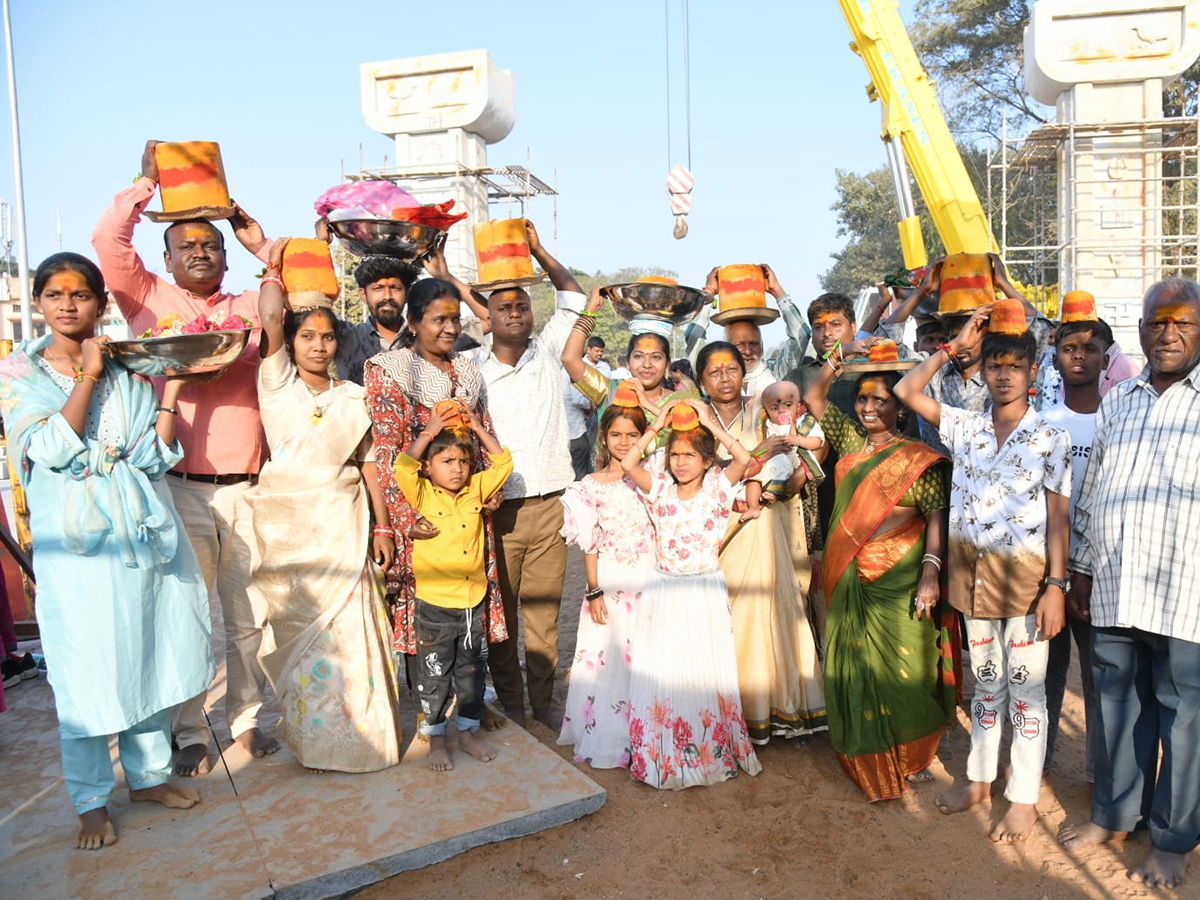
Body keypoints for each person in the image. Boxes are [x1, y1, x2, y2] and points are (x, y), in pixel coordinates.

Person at [0, 253, 215, 849]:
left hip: (140, 533)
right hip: (77, 550)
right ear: (39, 303)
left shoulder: (128, 371)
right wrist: (89, 376)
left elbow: (151, 455)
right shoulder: (20, 373)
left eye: (81, 294)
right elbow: (50, 448)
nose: (68, 305)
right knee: (86, 670)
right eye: (55, 294)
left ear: (99, 303)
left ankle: (148, 778)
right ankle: (91, 801)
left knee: (148, 652)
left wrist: (171, 389)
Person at [92, 141, 278, 775]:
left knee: (250, 618)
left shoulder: (248, 309)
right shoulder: (146, 298)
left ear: (225, 255)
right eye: (187, 245)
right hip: (176, 487)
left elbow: (304, 286)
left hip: (249, 487)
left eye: (211, 245)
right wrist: (145, 183)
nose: (200, 252)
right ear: (166, 258)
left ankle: (246, 722)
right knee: (188, 617)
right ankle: (190, 729)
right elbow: (108, 242)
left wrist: (259, 243)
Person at [895, 306, 1071, 843]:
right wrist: (953, 347)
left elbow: (1059, 518)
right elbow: (906, 390)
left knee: (1027, 694)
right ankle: (978, 781)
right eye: (995, 365)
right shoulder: (964, 426)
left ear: (1033, 371)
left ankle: (1022, 798)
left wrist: (1056, 587)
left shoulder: (1050, 437)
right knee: (987, 686)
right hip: (971, 581)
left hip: (1026, 586)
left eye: (1015, 366)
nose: (1003, 375)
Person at [1058, 279, 1200, 890]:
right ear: (1139, 330)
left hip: (1188, 594)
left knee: (1185, 720)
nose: (1167, 334)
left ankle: (1172, 840)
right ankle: (1116, 815)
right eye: (1156, 322)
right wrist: (1082, 569)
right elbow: (1092, 492)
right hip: (1116, 584)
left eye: (1182, 323)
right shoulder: (1118, 401)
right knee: (1117, 707)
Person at [245, 240, 402, 773]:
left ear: (339, 342)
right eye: (307, 336)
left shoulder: (353, 398)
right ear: (289, 343)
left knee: (353, 633)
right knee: (304, 643)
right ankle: (315, 745)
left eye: (327, 336)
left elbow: (371, 466)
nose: (318, 345)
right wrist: (272, 264)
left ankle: (364, 741)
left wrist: (383, 529)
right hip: (287, 535)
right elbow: (270, 315)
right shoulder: (276, 385)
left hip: (344, 529)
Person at [803, 356, 958, 802]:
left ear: (901, 408)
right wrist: (839, 358)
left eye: (880, 400)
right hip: (850, 571)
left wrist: (930, 572)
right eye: (862, 399)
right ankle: (871, 752)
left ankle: (914, 755)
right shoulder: (851, 441)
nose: (868, 407)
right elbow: (814, 395)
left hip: (903, 574)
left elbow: (936, 518)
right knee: (857, 663)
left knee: (910, 664)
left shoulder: (920, 459)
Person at [364, 278, 507, 711]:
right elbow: (387, 453)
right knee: (423, 615)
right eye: (438, 320)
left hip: (467, 511)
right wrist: (402, 521)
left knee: (468, 613)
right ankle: (431, 714)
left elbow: (486, 434)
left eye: (455, 319)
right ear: (413, 322)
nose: (450, 328)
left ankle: (466, 711)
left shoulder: (467, 370)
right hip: (420, 514)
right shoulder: (389, 370)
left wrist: (493, 490)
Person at [473, 219, 582, 729]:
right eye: (504, 308)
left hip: (549, 506)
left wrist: (537, 250)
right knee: (502, 614)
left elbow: (573, 297)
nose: (515, 313)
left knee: (544, 613)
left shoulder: (549, 354)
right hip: (498, 511)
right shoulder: (471, 368)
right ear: (489, 317)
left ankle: (543, 703)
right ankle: (511, 703)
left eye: (521, 306)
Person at [621, 399, 762, 788]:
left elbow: (744, 457)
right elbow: (630, 464)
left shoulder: (719, 486)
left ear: (706, 460)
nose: (680, 462)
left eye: (689, 455)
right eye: (674, 455)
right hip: (664, 591)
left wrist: (709, 422)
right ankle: (664, 756)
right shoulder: (660, 488)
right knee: (666, 671)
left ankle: (704, 753)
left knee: (701, 671)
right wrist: (657, 424)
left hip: (703, 592)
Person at [698, 343, 828, 744]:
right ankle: (726, 713)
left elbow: (811, 442)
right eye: (714, 371)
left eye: (732, 369)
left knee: (768, 610)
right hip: (719, 526)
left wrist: (799, 477)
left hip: (767, 523)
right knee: (725, 615)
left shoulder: (764, 407)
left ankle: (775, 709)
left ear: (745, 373)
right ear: (701, 379)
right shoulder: (697, 418)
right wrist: (756, 458)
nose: (724, 378)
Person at [393, 401, 512, 771]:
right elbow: (402, 466)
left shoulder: (476, 490)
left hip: (471, 605)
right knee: (434, 677)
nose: (457, 468)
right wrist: (429, 431)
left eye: (463, 461)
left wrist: (476, 428)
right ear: (429, 468)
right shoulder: (422, 494)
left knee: (472, 674)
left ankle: (467, 734)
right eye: (446, 461)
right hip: (434, 607)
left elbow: (503, 463)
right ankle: (437, 741)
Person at [557, 396, 655, 767]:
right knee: (609, 658)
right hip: (611, 585)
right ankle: (613, 740)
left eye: (633, 435)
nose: (624, 442)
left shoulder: (654, 477)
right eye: (616, 434)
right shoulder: (589, 486)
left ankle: (650, 736)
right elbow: (590, 543)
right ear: (603, 437)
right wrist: (594, 591)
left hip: (651, 579)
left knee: (646, 657)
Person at [1040, 318, 1104, 780]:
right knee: (1046, 672)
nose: (1078, 356)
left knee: (1101, 676)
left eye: (1089, 348)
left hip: (1099, 571)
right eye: (1069, 348)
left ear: (1106, 356)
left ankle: (1100, 774)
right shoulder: (1043, 423)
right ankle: (1035, 763)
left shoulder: (1116, 420)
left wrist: (1087, 567)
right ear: (1055, 356)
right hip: (1049, 570)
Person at [564, 288, 698, 453]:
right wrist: (590, 312)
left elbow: (690, 435)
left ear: (667, 365)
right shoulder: (611, 391)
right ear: (628, 362)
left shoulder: (680, 401)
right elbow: (569, 359)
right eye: (639, 356)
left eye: (656, 357)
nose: (647, 364)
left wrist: (646, 404)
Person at [334, 247, 491, 386]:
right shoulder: (346, 337)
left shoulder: (432, 334)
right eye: (378, 288)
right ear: (363, 294)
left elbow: (491, 320)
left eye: (395, 288)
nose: (387, 296)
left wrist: (446, 277)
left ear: (408, 293)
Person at [741, 380, 825, 518]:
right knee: (753, 478)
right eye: (774, 408)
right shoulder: (766, 424)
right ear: (766, 411)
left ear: (798, 407)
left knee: (781, 464)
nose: (781, 410)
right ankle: (753, 507)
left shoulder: (803, 422)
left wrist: (797, 440)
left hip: (789, 460)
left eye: (788, 405)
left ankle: (776, 493)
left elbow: (818, 441)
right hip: (767, 460)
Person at [562, 369, 595, 481]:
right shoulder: (571, 371)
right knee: (579, 475)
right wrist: (592, 404)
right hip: (576, 432)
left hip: (562, 434)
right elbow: (579, 400)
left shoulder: (554, 372)